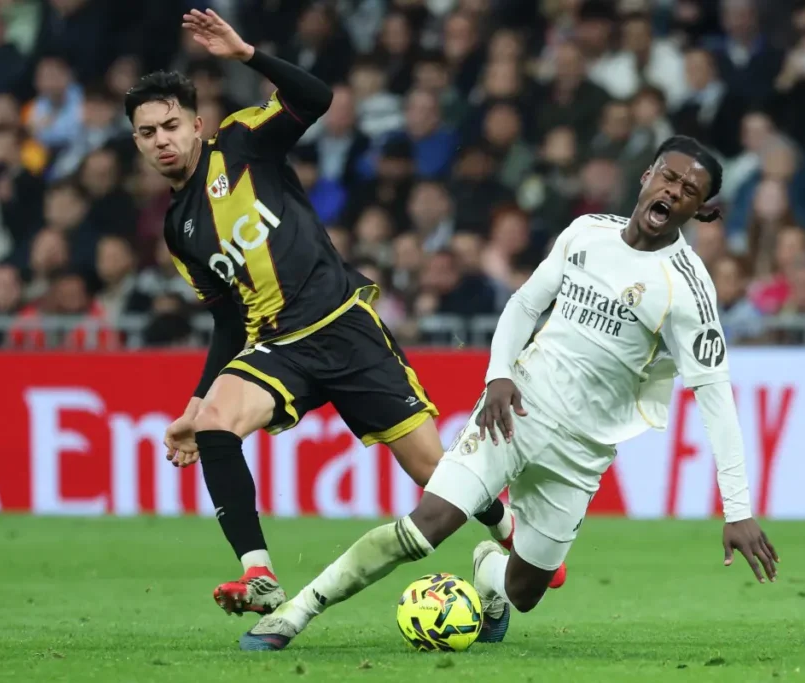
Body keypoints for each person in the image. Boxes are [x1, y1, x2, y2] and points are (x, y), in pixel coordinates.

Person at [240, 135, 779, 652]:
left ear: (700, 210)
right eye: (668, 177)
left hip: (582, 451)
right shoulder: (586, 232)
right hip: (517, 409)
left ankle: (486, 570)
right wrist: (498, 374)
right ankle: (297, 611)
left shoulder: (687, 290)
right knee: (426, 527)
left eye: (689, 190)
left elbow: (716, 399)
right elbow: (525, 304)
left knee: (525, 591)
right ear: (646, 176)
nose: (673, 191)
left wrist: (738, 511)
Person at [124, 10, 557, 619]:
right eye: (147, 133)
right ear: (137, 143)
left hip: (343, 325)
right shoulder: (179, 230)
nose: (162, 140)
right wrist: (196, 405)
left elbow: (316, 98)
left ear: (197, 125)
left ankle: (508, 527)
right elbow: (227, 320)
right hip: (277, 346)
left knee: (434, 472)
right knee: (217, 425)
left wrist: (247, 54)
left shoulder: (244, 142)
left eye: (171, 125)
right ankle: (259, 574)